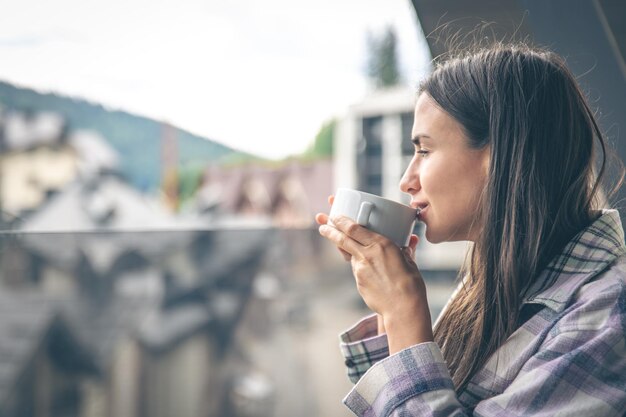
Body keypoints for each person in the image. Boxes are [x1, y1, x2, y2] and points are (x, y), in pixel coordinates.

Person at [316, 43, 626, 416]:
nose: (406, 181)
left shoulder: (607, 318)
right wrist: (388, 305)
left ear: (498, 157)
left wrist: (404, 310)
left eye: (425, 151)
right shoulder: (492, 279)